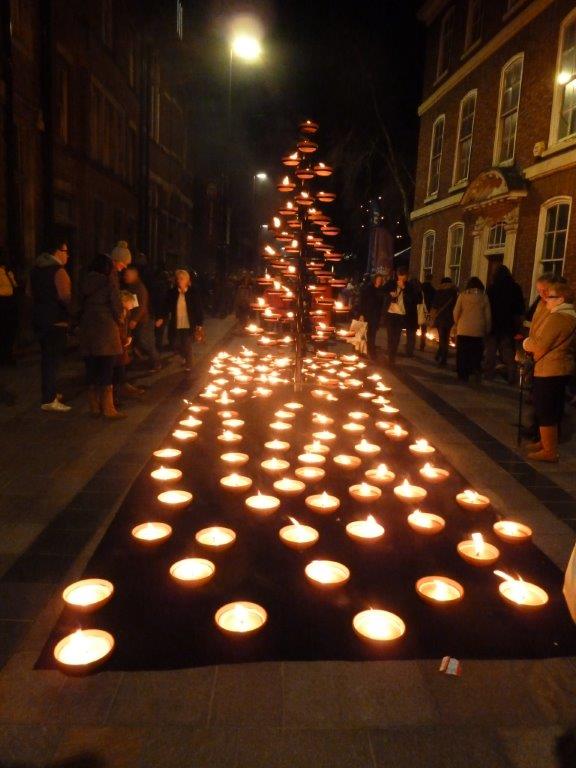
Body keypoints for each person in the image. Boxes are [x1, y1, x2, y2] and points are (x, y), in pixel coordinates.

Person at [522, 281, 576, 462]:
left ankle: (549, 451)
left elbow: (540, 345)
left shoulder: (558, 318)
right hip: (559, 367)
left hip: (550, 369)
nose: (546, 300)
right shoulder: (569, 316)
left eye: (551, 296)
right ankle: (546, 443)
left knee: (545, 408)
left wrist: (526, 343)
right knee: (550, 407)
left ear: (561, 299)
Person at [79, 254, 126, 419]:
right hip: (106, 331)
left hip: (87, 330)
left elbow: (75, 305)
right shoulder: (108, 283)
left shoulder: (83, 282)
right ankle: (108, 408)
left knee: (91, 369)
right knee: (106, 369)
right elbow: (117, 308)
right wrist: (121, 320)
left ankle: (94, 406)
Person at [30, 234, 72, 412]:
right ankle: (49, 399)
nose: (67, 255)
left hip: (40, 318)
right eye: (65, 251)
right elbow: (65, 297)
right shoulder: (58, 271)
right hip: (56, 320)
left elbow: (30, 294)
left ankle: (50, 392)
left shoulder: (36, 270)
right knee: (52, 361)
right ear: (57, 252)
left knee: (46, 359)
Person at [484, 265, 525, 384]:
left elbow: (487, 307)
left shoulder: (492, 288)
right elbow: (520, 308)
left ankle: (488, 375)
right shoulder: (515, 288)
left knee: (490, 352)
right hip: (508, 325)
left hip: (493, 324)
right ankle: (512, 376)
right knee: (508, 353)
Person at [159, 269, 204, 372]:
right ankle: (184, 356)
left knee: (186, 343)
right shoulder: (172, 292)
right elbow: (166, 306)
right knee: (174, 343)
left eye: (182, 279)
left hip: (189, 323)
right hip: (176, 322)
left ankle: (189, 364)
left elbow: (198, 308)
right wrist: (161, 317)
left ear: (187, 280)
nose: (179, 281)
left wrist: (199, 324)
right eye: (178, 279)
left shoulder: (193, 292)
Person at [123, 265, 161, 372]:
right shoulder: (132, 287)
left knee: (145, 342)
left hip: (143, 320)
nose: (125, 277)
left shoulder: (139, 288)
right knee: (137, 342)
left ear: (134, 275)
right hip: (138, 320)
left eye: (127, 275)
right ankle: (136, 362)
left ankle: (156, 363)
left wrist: (135, 319)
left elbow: (141, 306)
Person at [453, 276, 491, 383]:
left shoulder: (462, 296)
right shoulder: (484, 297)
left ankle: (462, 374)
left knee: (462, 353)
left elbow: (456, 312)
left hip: (463, 329)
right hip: (478, 330)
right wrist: (487, 329)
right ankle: (473, 371)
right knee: (475, 353)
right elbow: (488, 316)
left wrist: (457, 323)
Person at [383, 266, 422, 365]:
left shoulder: (409, 286)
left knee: (396, 338)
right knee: (390, 337)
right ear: (397, 275)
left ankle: (392, 358)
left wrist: (404, 288)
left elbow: (416, 300)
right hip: (390, 314)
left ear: (406, 276)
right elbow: (382, 291)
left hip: (401, 315)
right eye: (399, 276)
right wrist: (390, 294)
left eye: (403, 276)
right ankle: (390, 357)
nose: (401, 278)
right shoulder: (391, 283)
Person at [430, 277, 458, 366]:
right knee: (446, 337)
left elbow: (435, 305)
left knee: (442, 339)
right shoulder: (454, 292)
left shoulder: (439, 291)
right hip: (450, 318)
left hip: (440, 318)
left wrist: (432, 316)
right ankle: (441, 356)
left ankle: (442, 358)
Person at [359, 273, 385, 360]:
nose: (379, 281)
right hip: (368, 314)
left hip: (376, 315)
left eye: (380, 280)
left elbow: (381, 303)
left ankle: (371, 351)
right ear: (375, 279)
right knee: (366, 334)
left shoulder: (381, 290)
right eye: (378, 279)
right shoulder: (368, 288)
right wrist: (361, 314)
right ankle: (368, 351)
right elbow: (362, 301)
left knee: (372, 334)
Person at [0, 248, 19, 365]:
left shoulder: (7, 271)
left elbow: (13, 286)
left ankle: (7, 354)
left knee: (10, 330)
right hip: (2, 303)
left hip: (9, 304)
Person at [419, 273, 436, 351]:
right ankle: (422, 345)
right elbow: (434, 301)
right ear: (431, 279)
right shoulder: (433, 290)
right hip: (427, 310)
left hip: (419, 308)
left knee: (414, 327)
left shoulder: (420, 287)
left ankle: (410, 343)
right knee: (424, 328)